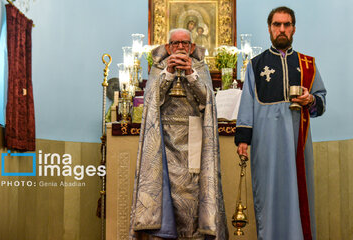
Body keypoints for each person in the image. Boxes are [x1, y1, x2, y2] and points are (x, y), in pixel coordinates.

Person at [235, 6, 326, 240]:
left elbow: (321, 101)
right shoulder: (255, 65)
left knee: (297, 194)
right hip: (265, 144)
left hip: (297, 141)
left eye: (287, 24)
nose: (282, 29)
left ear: (294, 28)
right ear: (269, 29)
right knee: (268, 195)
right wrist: (243, 139)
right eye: (277, 25)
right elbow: (247, 103)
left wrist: (310, 99)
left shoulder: (307, 64)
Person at [129, 28, 228, 239]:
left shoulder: (200, 67)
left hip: (192, 139)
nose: (181, 47)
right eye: (175, 43)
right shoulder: (158, 67)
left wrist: (192, 75)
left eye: (185, 43)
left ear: (192, 47)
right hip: (163, 140)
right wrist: (169, 73)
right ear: (168, 47)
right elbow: (151, 103)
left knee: (190, 196)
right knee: (167, 196)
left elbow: (208, 102)